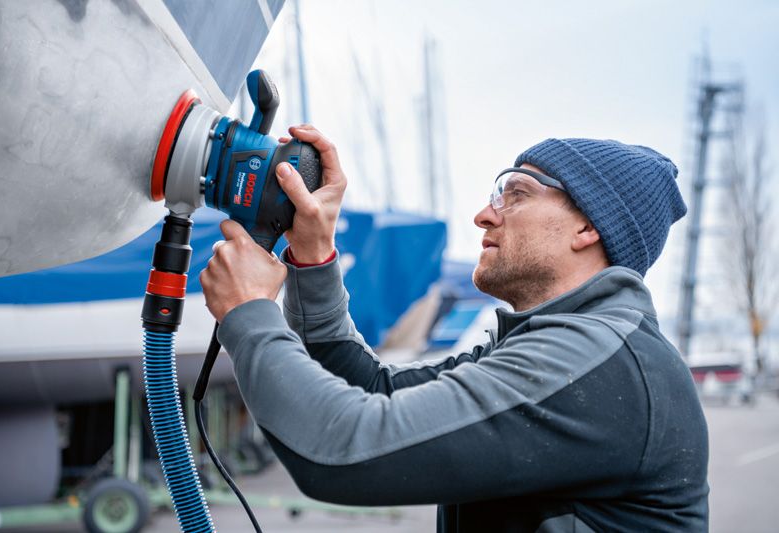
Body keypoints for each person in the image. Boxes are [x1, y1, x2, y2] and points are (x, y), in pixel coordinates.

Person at [200, 125, 709, 532]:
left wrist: (250, 311)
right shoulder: (556, 346)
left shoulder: (597, 365)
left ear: (589, 227)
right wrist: (313, 256)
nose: (485, 215)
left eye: (516, 194)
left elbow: (341, 448)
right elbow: (371, 388)